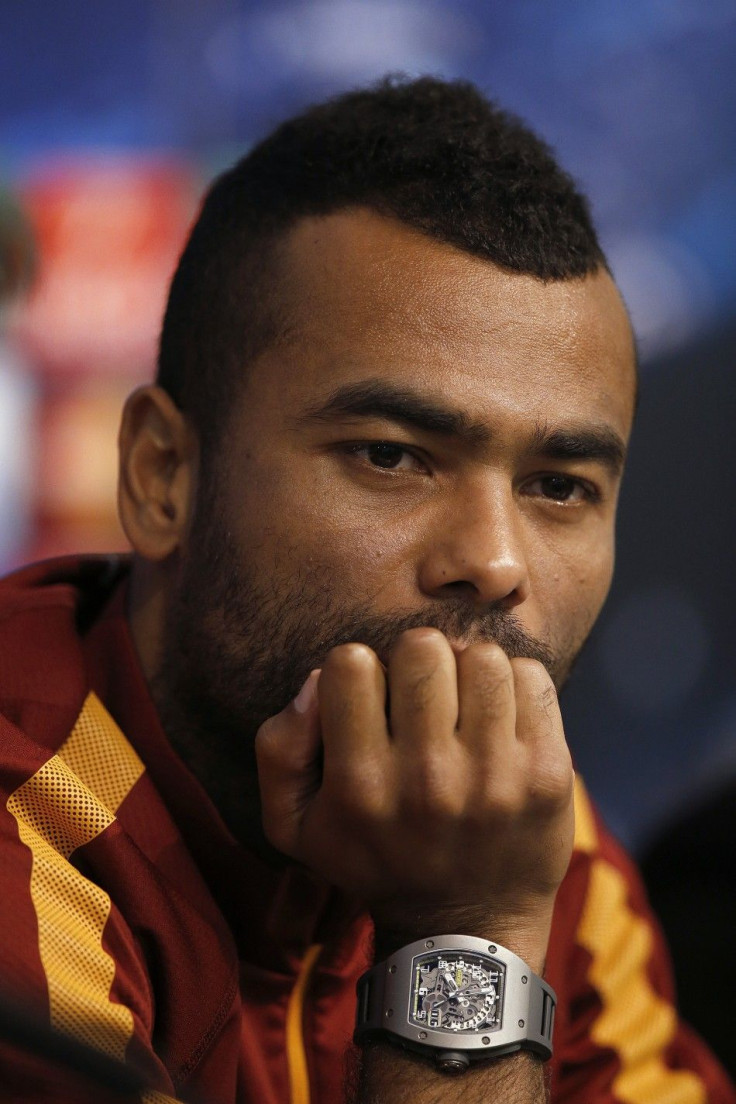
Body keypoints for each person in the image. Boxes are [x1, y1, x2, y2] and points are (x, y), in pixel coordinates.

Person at [0, 76, 732, 1104]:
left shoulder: (527, 843)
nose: (495, 561)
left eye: (558, 486)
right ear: (163, 474)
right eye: (391, 457)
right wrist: (467, 938)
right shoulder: (27, 818)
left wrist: (480, 906)